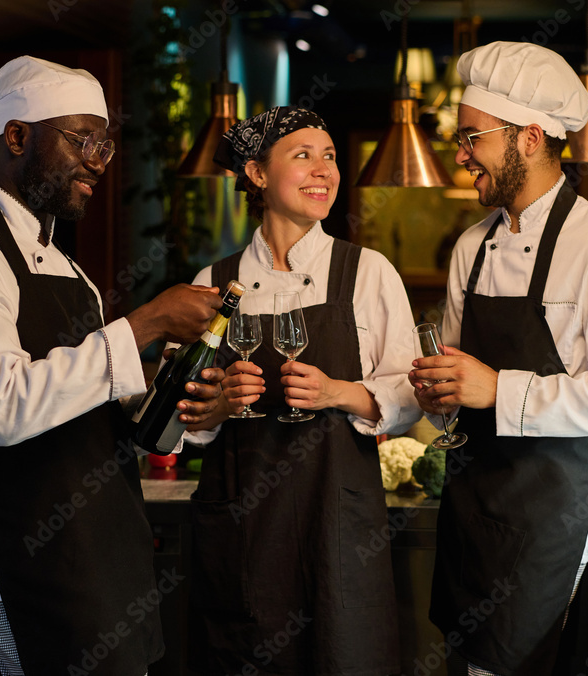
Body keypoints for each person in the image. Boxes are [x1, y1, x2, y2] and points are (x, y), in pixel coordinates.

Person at [0, 55, 225, 676]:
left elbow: (94, 403)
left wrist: (182, 402)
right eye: (83, 140)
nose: (101, 160)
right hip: (22, 562)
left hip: (102, 559)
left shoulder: (64, 265)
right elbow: (4, 406)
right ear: (16, 136)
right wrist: (147, 323)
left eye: (106, 142)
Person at [409, 42, 588, 676]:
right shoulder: (473, 244)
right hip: (473, 511)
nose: (460, 154)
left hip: (555, 522)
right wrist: (441, 390)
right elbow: (461, 374)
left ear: (528, 135)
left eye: (472, 138)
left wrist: (499, 389)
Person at [181, 106, 422, 676]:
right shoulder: (210, 285)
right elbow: (172, 424)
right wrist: (215, 408)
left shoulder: (368, 273)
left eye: (331, 157)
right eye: (304, 156)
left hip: (337, 531)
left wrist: (338, 392)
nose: (325, 171)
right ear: (258, 175)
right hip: (243, 531)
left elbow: (410, 396)